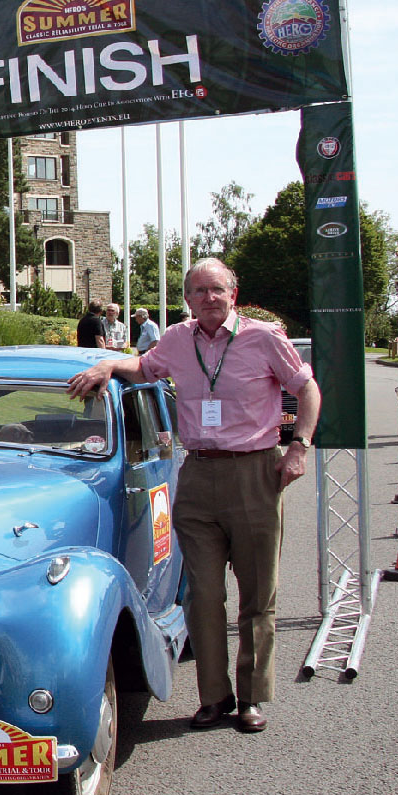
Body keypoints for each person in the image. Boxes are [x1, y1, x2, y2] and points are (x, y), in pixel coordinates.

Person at [67, 258, 320, 734]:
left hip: (255, 473)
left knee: (257, 596)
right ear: (187, 300)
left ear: (233, 293)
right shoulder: (180, 339)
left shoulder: (265, 338)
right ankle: (213, 696)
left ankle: (250, 698)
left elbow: (307, 390)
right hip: (199, 474)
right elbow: (144, 367)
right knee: (201, 595)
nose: (208, 299)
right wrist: (107, 364)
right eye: (198, 292)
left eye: (216, 290)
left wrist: (299, 447)